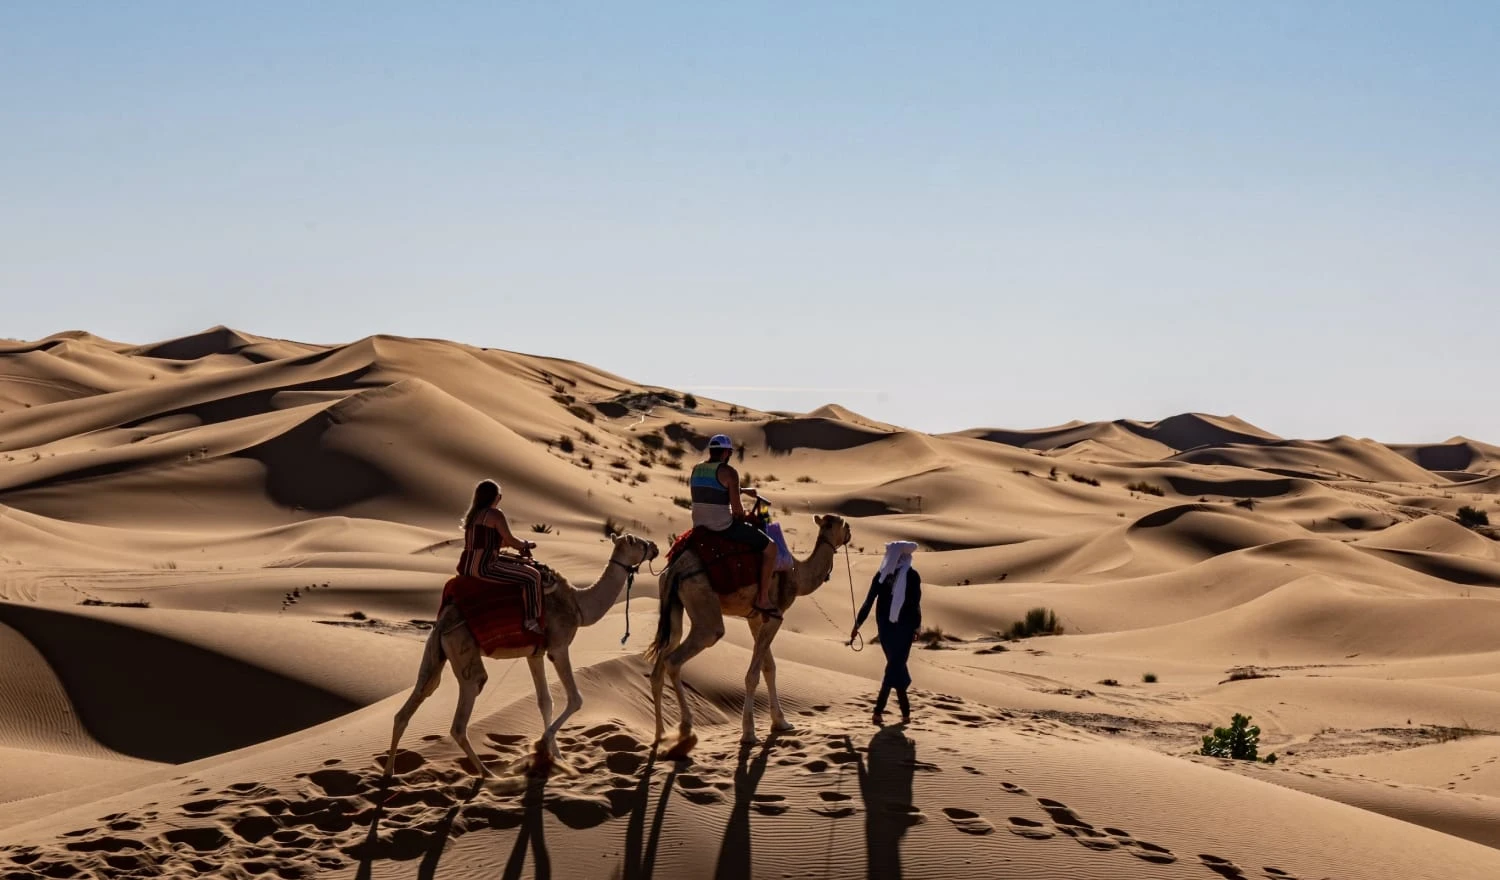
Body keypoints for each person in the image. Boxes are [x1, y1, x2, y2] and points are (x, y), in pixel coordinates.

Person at [690, 433, 781, 619]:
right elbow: (738, 510)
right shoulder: (730, 472)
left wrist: (743, 490)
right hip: (722, 526)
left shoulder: (697, 469)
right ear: (725, 453)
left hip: (699, 524)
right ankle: (763, 598)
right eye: (729, 452)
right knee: (771, 548)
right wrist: (743, 516)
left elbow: (713, 487)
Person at [850, 541, 921, 724]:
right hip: (893, 629)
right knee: (896, 665)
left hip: (897, 629)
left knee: (895, 665)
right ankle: (889, 712)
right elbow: (870, 601)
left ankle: (894, 712)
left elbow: (915, 603)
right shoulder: (887, 576)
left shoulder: (903, 576)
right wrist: (858, 623)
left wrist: (916, 626)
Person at [458, 479, 542, 633]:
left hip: (466, 566)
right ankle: (530, 620)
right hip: (484, 567)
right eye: (499, 495)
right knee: (533, 576)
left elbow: (490, 543)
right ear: (495, 497)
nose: (500, 498)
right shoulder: (494, 514)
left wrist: (513, 545)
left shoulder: (473, 516)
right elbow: (510, 540)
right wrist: (526, 544)